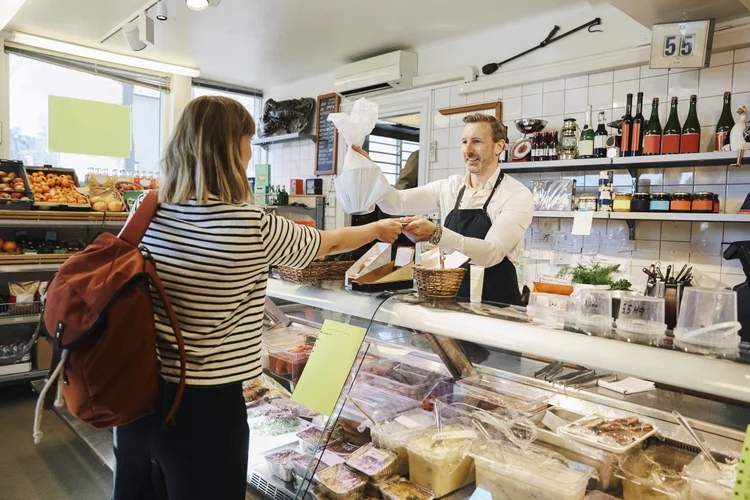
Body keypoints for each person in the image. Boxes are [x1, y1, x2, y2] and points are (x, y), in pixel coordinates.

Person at [112, 95, 403, 500]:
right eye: (247, 141)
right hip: (206, 404)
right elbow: (328, 243)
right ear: (231, 149)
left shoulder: (147, 210)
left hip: (136, 392)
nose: (250, 152)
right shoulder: (250, 223)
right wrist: (377, 229)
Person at [352, 113, 533, 305]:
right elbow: (397, 202)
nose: (468, 150)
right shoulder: (450, 188)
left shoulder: (517, 194)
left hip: (498, 307)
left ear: (499, 146)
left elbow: (491, 253)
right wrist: (369, 171)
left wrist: (436, 233)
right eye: (464, 142)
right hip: (452, 303)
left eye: (477, 141)